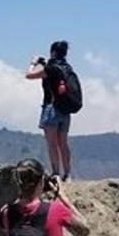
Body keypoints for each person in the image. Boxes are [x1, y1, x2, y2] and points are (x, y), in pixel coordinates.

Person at [26, 40, 74, 181]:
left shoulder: (50, 69)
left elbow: (29, 75)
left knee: (52, 144)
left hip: (51, 109)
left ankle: (56, 173)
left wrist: (33, 63)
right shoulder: (67, 68)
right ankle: (68, 174)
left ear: (53, 52)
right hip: (65, 110)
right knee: (63, 144)